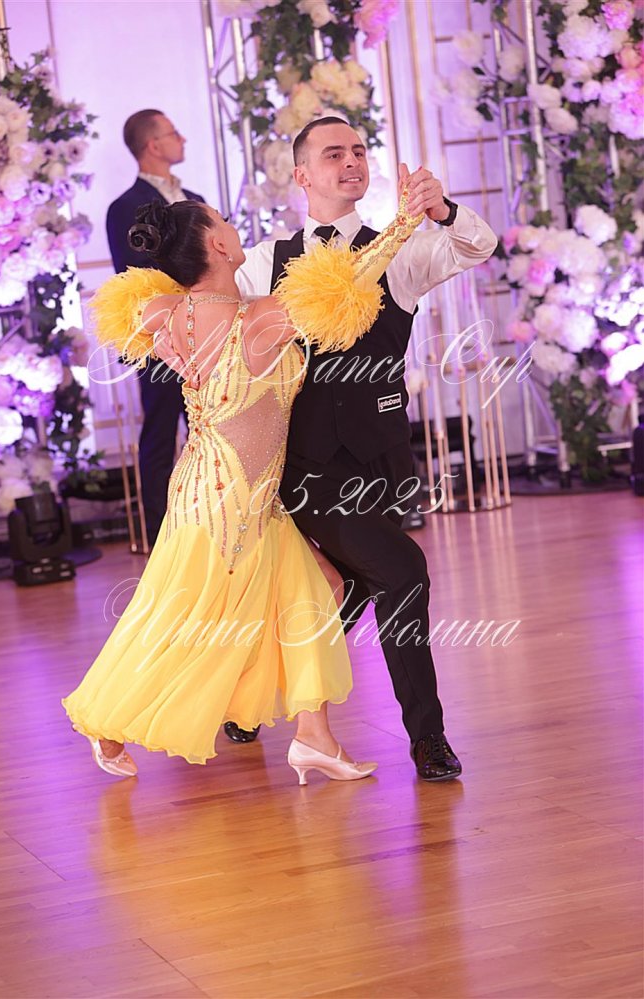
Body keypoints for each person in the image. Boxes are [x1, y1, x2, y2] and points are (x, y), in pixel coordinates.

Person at [62, 191, 423, 783]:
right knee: (192, 616)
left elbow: (137, 308)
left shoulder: (165, 313)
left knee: (317, 592)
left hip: (214, 487)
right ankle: (106, 720)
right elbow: (345, 281)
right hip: (233, 498)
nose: (234, 229)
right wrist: (402, 224)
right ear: (219, 245)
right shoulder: (258, 322)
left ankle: (315, 738)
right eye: (226, 223)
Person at [233, 116, 499, 780]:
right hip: (304, 463)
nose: (351, 161)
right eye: (334, 154)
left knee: (356, 584)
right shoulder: (264, 262)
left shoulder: (398, 250)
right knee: (402, 572)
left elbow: (477, 245)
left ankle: (252, 701)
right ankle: (428, 738)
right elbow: (229, 342)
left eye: (358, 151)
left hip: (381, 457)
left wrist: (441, 210)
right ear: (302, 175)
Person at [106, 109, 205, 545]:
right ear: (153, 145)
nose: (182, 139)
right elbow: (135, 273)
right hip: (159, 337)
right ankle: (161, 536)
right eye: (173, 133)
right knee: (161, 432)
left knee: (210, 428)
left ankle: (210, 526)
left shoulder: (194, 198)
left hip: (207, 330)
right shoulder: (125, 207)